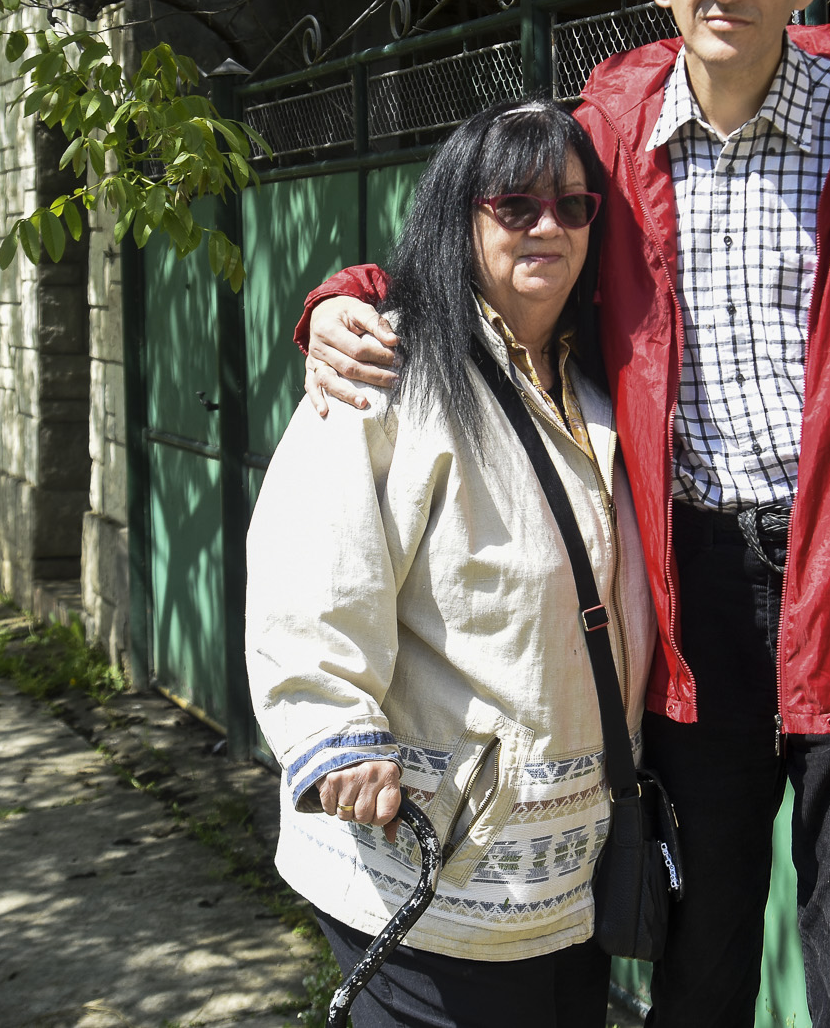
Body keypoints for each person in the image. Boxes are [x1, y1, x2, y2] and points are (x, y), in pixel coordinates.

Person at [295, 0, 830, 1028]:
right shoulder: (608, 127)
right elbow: (496, 245)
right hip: (681, 607)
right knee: (696, 974)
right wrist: (350, 295)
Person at [246, 100, 657, 1028]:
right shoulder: (383, 371)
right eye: (515, 204)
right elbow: (311, 566)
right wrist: (336, 730)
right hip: (427, 862)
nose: (547, 225)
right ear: (458, 216)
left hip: (567, 874)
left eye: (573, 206)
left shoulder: (601, 385)